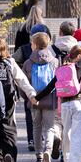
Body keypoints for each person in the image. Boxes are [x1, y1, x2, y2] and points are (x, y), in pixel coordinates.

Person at [35, 45, 81, 162]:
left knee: (67, 133)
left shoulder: (61, 69)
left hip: (64, 104)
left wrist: (36, 98)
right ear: (79, 56)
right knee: (77, 136)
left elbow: (50, 86)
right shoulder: (79, 68)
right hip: (78, 103)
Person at [0, 35, 36, 162]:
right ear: (5, 48)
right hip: (8, 100)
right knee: (9, 128)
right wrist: (31, 94)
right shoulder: (10, 62)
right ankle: (10, 156)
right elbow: (22, 80)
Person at [23, 32, 61, 162]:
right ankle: (48, 151)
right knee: (50, 127)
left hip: (34, 101)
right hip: (50, 100)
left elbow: (23, 83)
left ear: (35, 45)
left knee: (37, 127)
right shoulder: (55, 62)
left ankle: (39, 157)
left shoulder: (28, 63)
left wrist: (28, 97)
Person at [14, 23, 51, 151]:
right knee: (49, 123)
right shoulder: (52, 55)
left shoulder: (24, 51)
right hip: (49, 95)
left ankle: (33, 143)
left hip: (30, 93)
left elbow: (13, 61)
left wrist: (25, 94)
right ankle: (48, 145)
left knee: (33, 121)